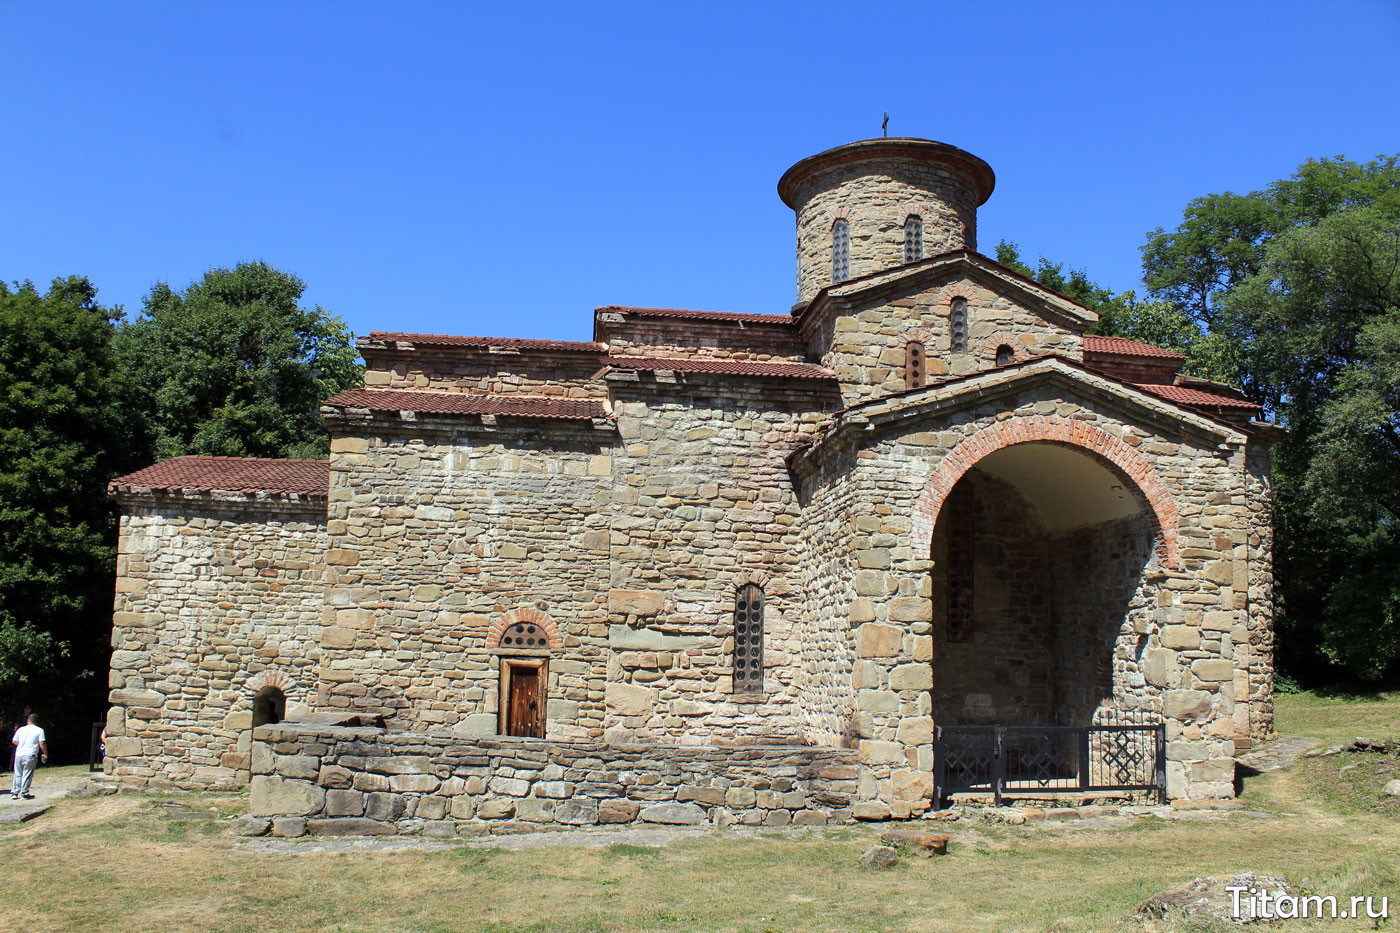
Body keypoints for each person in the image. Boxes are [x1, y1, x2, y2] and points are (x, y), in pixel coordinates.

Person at [10, 714, 47, 800]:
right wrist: (45, 753)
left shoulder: (21, 729)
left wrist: (22, 744)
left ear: (28, 721)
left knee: (18, 773)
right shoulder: (39, 730)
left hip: (19, 754)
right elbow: (42, 743)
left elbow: (14, 741)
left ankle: (15, 792)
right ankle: (24, 792)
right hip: (30, 754)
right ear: (37, 722)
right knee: (27, 773)